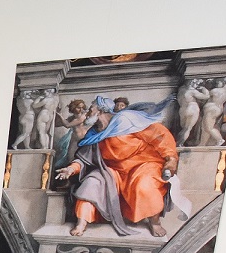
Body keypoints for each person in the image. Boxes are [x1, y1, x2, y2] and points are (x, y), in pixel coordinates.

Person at [54, 94, 187, 237]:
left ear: (101, 110)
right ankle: (82, 223)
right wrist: (71, 169)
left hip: (143, 164)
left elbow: (158, 134)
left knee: (143, 185)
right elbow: (86, 159)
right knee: (91, 182)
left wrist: (170, 158)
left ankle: (154, 222)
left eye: (91, 108)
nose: (87, 112)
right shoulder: (93, 134)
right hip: (114, 171)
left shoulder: (125, 120)